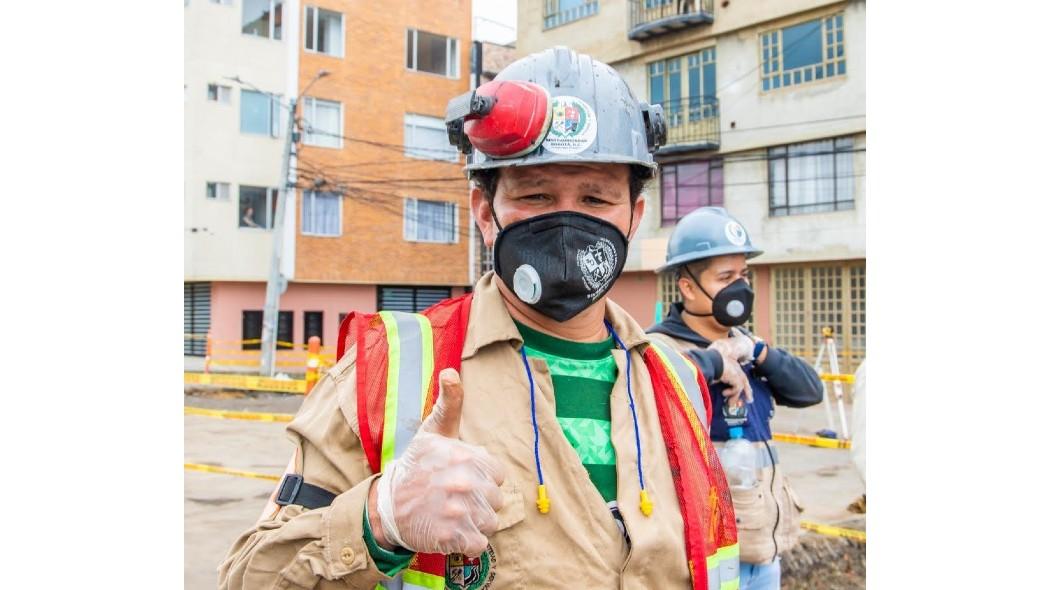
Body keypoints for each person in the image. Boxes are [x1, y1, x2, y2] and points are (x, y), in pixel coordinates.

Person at [219, 47, 740, 590]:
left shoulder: (676, 381)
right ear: (485, 211)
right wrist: (381, 518)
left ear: (634, 215)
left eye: (595, 198)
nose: (567, 222)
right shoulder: (389, 371)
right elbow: (249, 577)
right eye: (536, 195)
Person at [647, 207, 824, 590]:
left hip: (763, 550)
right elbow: (654, 392)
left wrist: (757, 353)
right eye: (726, 278)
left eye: (743, 275)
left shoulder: (748, 345)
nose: (739, 288)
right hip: (705, 559)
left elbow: (811, 390)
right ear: (689, 286)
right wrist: (713, 363)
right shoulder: (662, 349)